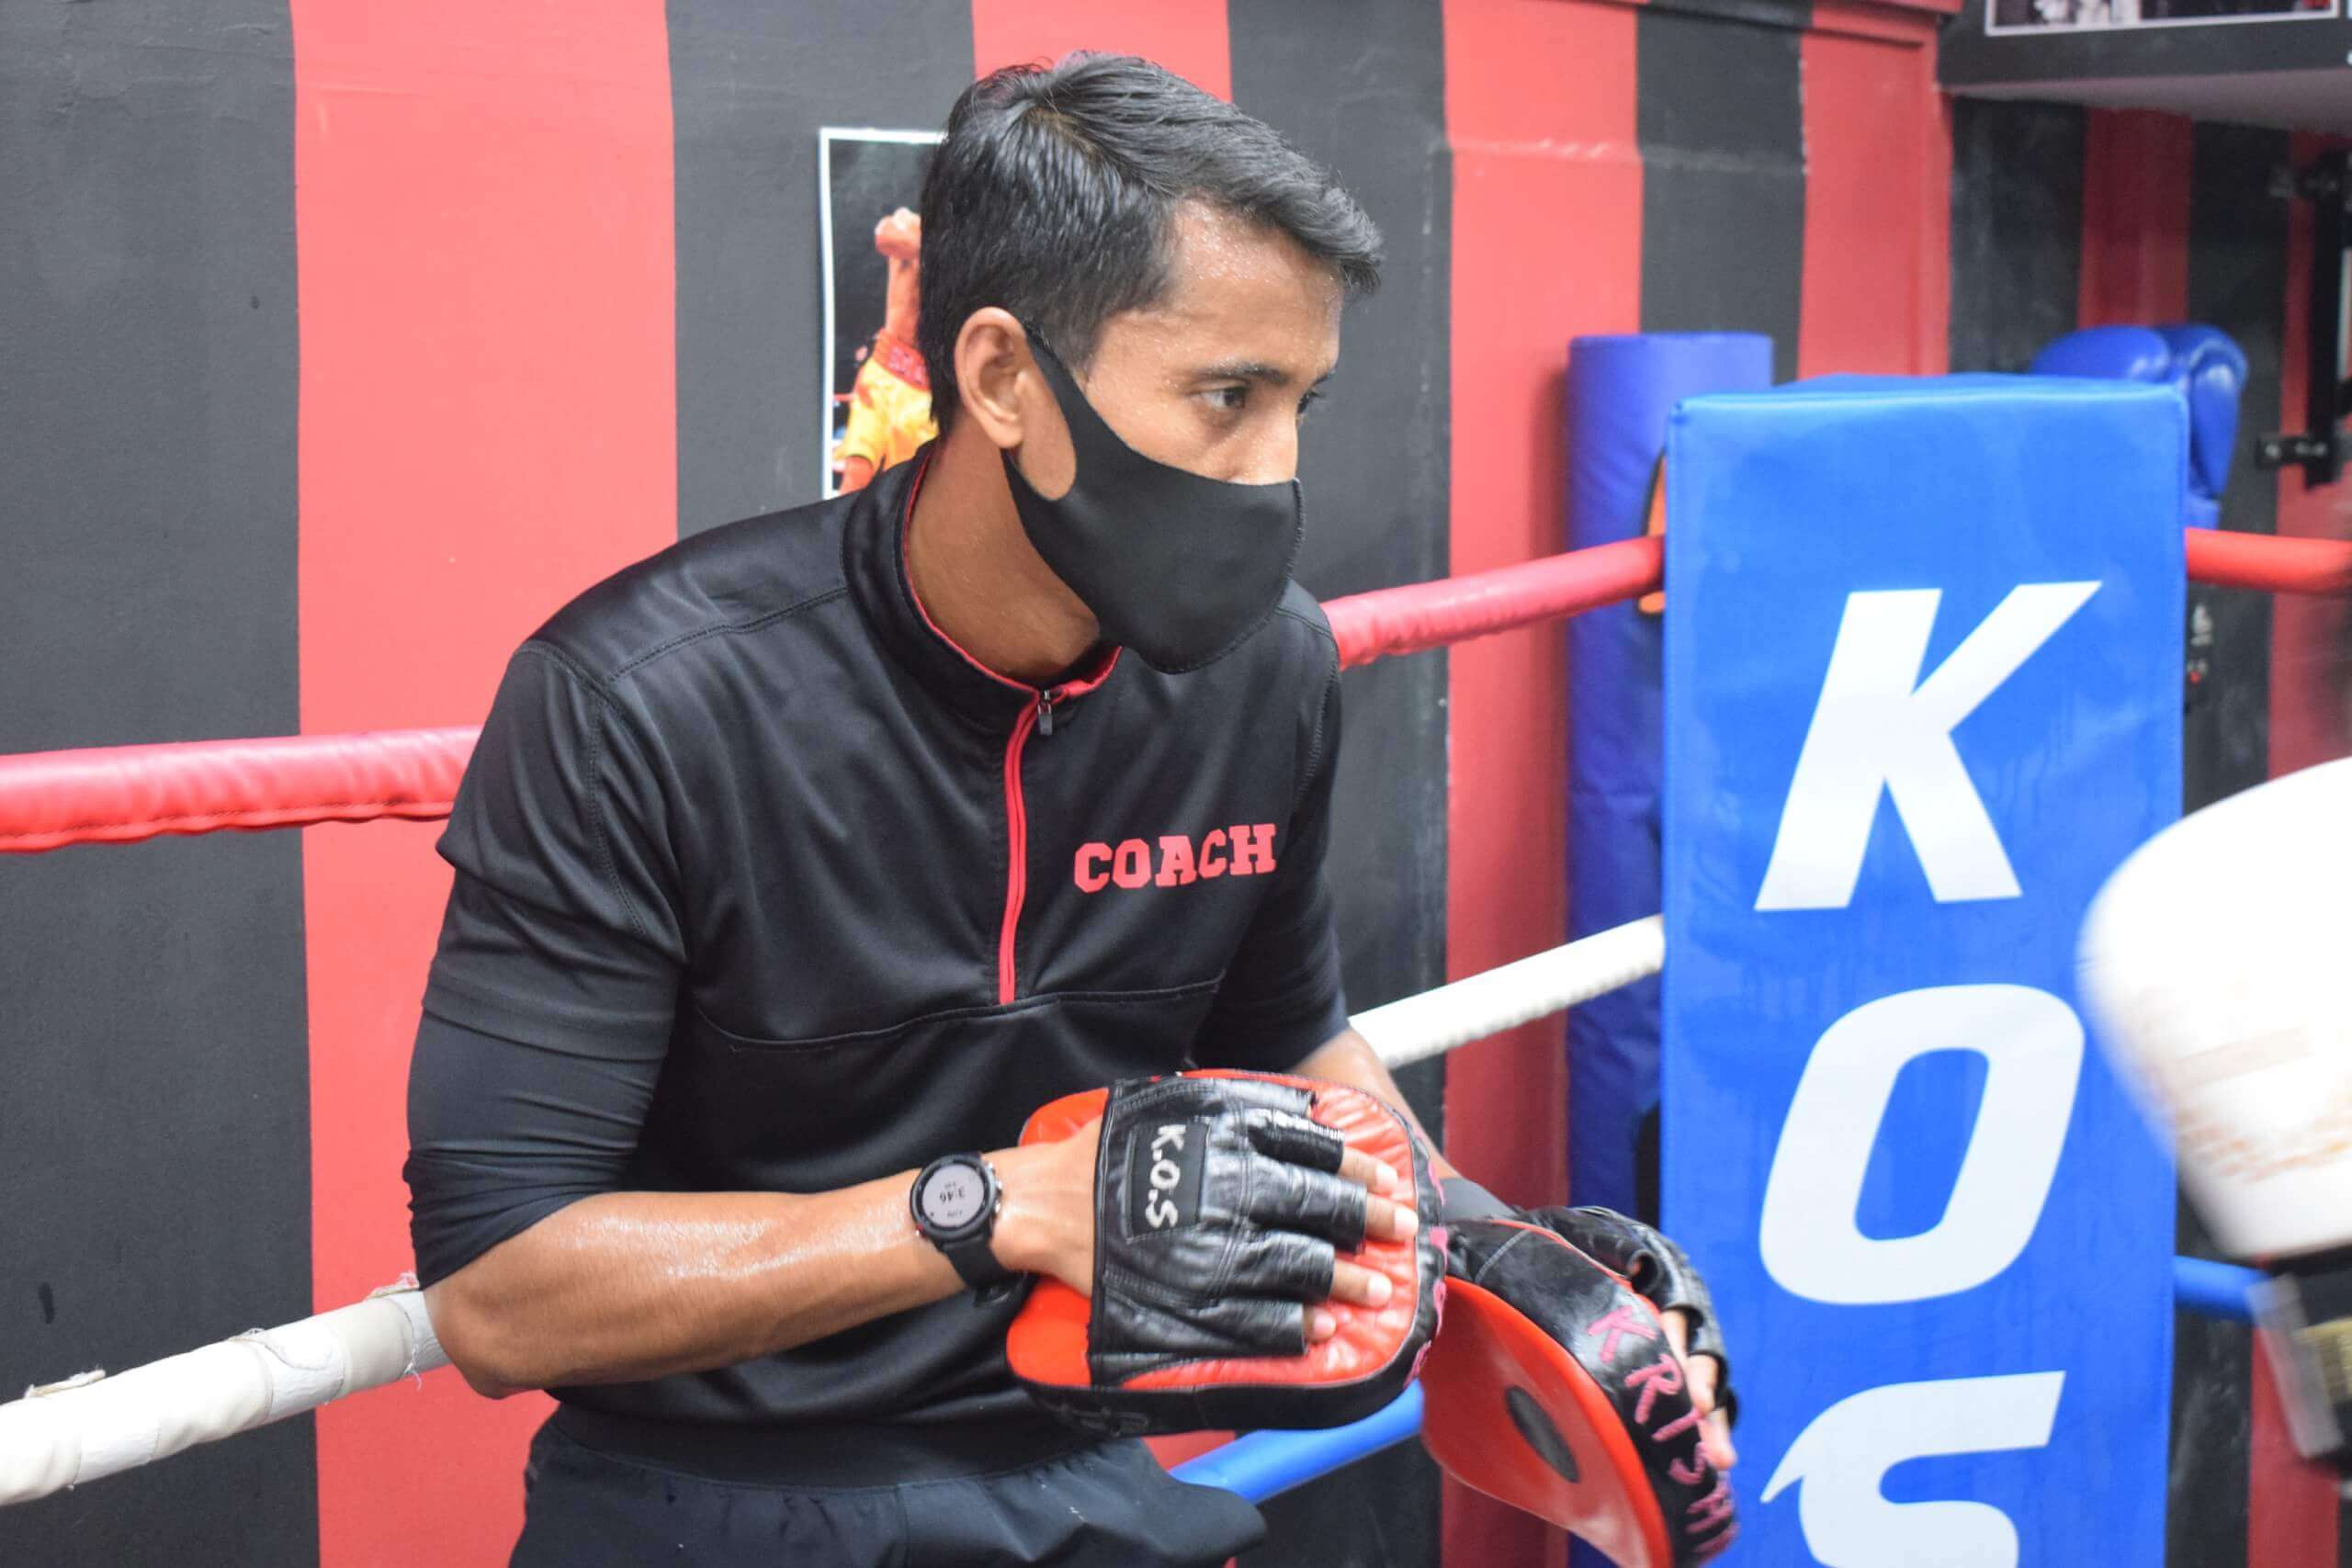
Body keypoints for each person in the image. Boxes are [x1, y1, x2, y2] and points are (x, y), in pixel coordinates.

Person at [402, 53, 1725, 1566]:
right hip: (709, 1496)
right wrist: (996, 1208)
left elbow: (1289, 1038)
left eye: (1300, 401)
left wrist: (1482, 1239)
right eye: (1227, 398)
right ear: (1003, 378)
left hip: (1085, 1466)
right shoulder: (641, 697)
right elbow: (502, 1289)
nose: (1279, 469)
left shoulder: (1267, 670)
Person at [832, 206, 934, 492]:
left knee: (909, 495)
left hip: (927, 393)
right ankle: (835, 537)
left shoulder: (976, 255)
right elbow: (885, 237)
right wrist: (940, 246)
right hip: (885, 378)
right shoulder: (911, 223)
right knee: (857, 473)